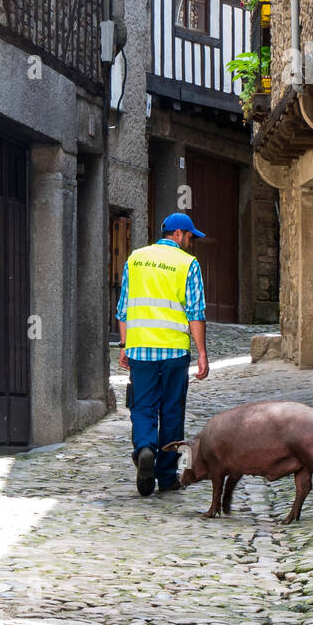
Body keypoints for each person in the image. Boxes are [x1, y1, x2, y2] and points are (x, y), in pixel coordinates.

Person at [116, 213, 210, 496]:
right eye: (190, 236)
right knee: (171, 412)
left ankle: (145, 449)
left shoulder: (135, 259)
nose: (191, 242)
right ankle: (166, 476)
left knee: (142, 406)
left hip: (140, 348)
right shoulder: (187, 264)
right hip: (173, 350)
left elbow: (123, 308)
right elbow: (195, 313)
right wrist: (202, 353)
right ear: (178, 234)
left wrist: (124, 346)